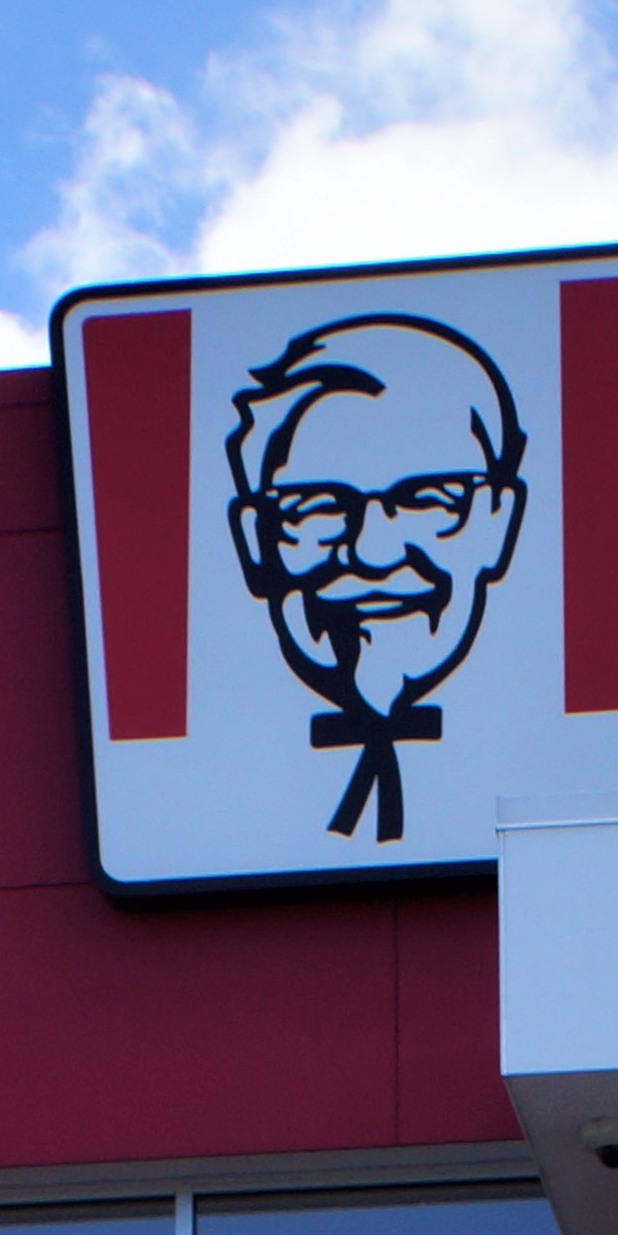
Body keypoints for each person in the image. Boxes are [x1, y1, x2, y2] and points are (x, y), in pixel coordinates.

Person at [222, 312, 529, 843]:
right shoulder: (216, 799)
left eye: (428, 500)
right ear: (255, 540)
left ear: (498, 522)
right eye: (317, 506)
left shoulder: (534, 751)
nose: (371, 551)